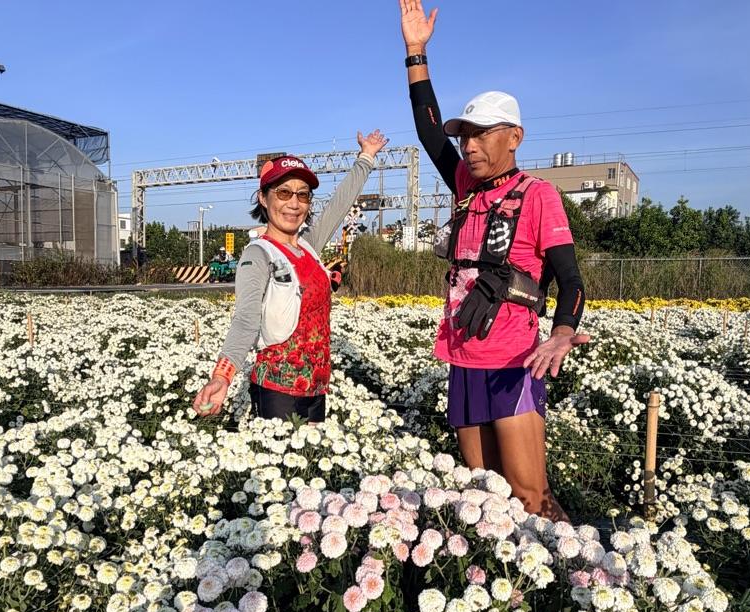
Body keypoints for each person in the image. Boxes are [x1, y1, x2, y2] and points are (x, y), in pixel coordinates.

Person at [399, 0, 589, 520]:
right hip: (463, 358)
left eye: (482, 134)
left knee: (529, 496)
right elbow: (429, 132)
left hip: (513, 363)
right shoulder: (466, 185)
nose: (469, 146)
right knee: (484, 495)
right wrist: (416, 53)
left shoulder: (539, 194)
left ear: (514, 137)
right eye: (466, 136)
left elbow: (571, 279)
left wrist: (563, 332)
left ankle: (569, 566)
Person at [192, 131, 388, 422]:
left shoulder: (309, 246)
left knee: (314, 451)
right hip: (277, 390)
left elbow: (339, 204)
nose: (294, 204)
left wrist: (366, 157)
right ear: (263, 198)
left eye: (302, 194)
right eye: (283, 193)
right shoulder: (259, 254)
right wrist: (222, 376)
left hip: (316, 387)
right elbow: (246, 319)